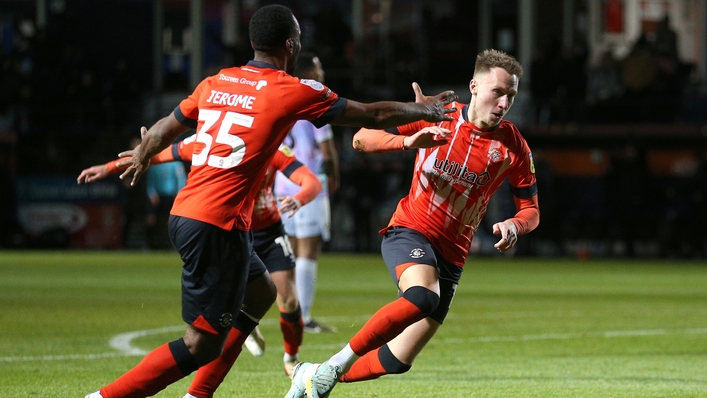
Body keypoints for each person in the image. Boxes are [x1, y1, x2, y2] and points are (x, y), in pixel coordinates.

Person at [83, 4, 456, 398]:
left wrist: (143, 152)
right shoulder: (290, 89)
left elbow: (163, 130)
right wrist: (425, 110)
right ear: (291, 45)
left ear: (251, 43)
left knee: (262, 292)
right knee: (200, 343)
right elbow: (372, 113)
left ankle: (199, 393)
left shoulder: (216, 82)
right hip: (216, 224)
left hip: (192, 214)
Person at [285, 49, 540, 398]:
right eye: (498, 92)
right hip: (410, 230)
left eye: (511, 94)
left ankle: (313, 377)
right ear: (474, 87)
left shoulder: (513, 146)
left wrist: (515, 224)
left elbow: (531, 209)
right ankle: (334, 365)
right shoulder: (437, 115)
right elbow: (361, 138)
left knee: (398, 359)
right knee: (422, 296)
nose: (504, 102)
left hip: (453, 255)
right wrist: (406, 140)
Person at [79, 133, 319, 389]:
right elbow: (160, 152)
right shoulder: (216, 138)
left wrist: (300, 198)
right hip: (226, 227)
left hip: (262, 228)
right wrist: (109, 167)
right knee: (203, 343)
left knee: (279, 296)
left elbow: (310, 180)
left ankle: (290, 356)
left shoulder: (271, 145)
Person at [274, 52, 339, 333]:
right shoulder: (316, 105)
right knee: (308, 251)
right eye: (319, 68)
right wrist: (333, 175)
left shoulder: (282, 103)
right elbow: (327, 152)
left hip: (281, 187)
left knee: (288, 252)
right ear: (309, 74)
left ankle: (288, 312)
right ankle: (304, 317)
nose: (322, 73)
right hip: (309, 188)